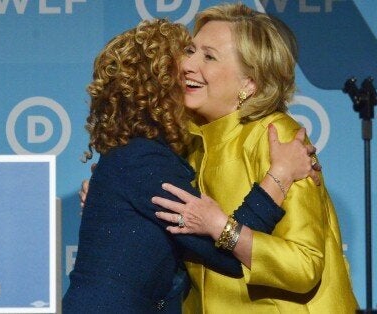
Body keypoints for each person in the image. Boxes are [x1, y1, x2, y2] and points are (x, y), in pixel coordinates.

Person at [63, 18, 317, 313]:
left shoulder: (148, 156)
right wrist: (280, 175)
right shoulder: (143, 160)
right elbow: (227, 257)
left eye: (206, 56)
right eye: (186, 57)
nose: (190, 68)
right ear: (160, 85)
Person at [151, 3, 357, 312]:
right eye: (191, 51)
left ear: (249, 83)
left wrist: (222, 227)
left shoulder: (279, 138)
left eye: (208, 56)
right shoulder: (188, 143)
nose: (187, 65)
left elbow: (303, 265)